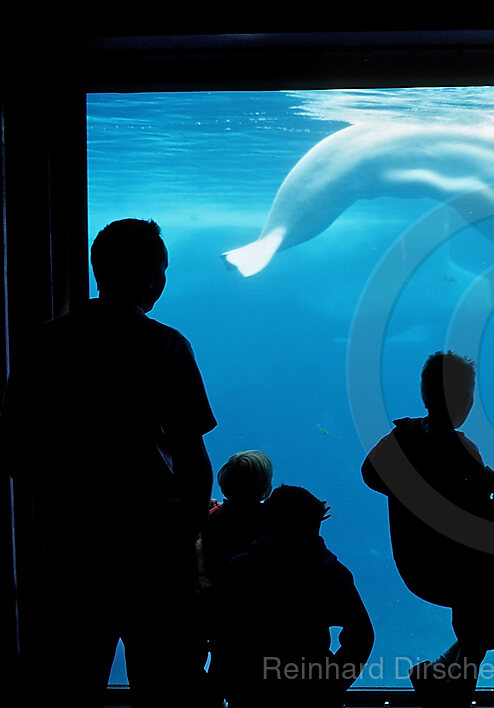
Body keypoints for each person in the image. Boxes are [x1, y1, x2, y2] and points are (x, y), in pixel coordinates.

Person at [0, 219, 217, 707]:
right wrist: (191, 538)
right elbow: (193, 458)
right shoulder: (166, 345)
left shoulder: (44, 343)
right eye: (161, 269)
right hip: (154, 545)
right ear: (150, 278)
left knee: (69, 683)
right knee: (165, 688)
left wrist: (48, 517)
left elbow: (15, 449)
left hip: (70, 543)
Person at [362, 351, 494, 708]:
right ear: (466, 400)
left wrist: (413, 492)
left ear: (425, 393)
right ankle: (451, 695)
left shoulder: (404, 437)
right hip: (461, 568)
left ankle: (437, 674)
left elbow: (370, 473)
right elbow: (488, 524)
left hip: (416, 561)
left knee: (486, 620)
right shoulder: (463, 451)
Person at [208, 484, 374, 708]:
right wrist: (333, 682)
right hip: (313, 694)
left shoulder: (242, 569)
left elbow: (223, 634)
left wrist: (221, 686)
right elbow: (362, 635)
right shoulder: (331, 574)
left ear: (269, 520)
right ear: (315, 523)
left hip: (251, 694)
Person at [200, 449, 274, 587]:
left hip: (218, 585)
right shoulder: (270, 519)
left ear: (225, 483)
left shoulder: (214, 516)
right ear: (265, 487)